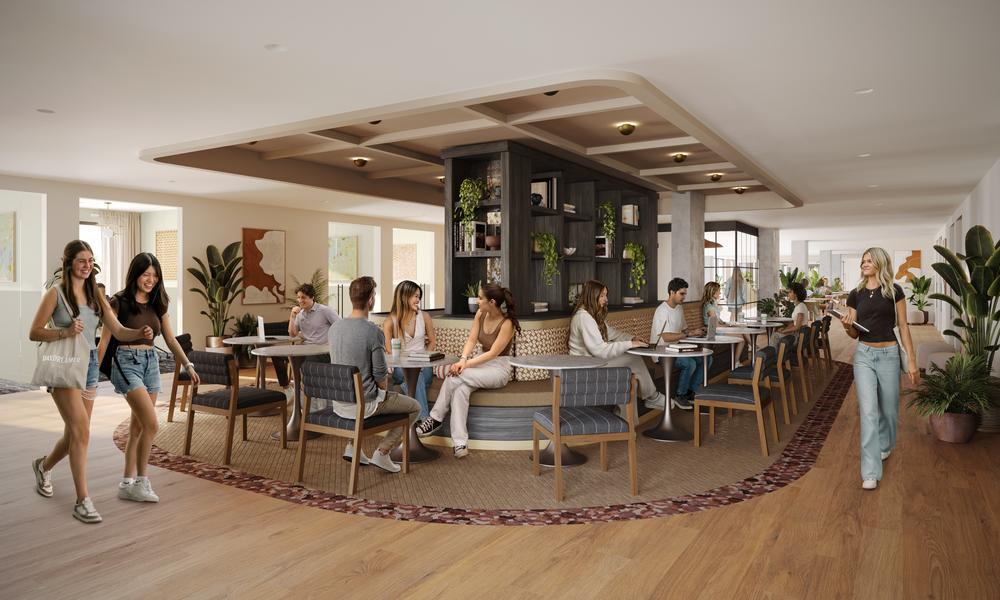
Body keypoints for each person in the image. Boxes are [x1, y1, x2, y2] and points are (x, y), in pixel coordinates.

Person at [29, 240, 152, 523]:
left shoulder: (96, 294)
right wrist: (65, 332)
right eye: (81, 260)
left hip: (90, 366)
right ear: (69, 262)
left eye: (90, 260)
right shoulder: (55, 293)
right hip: (64, 364)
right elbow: (34, 332)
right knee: (82, 430)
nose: (87, 265)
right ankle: (82, 500)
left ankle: (43, 466)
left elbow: (118, 329)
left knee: (75, 434)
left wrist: (139, 333)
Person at [99, 252, 200, 503]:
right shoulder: (118, 302)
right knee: (152, 424)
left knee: (137, 427)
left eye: (155, 275)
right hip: (125, 363)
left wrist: (187, 364)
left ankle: (126, 483)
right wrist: (91, 376)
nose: (151, 280)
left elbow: (170, 339)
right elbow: (105, 340)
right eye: (146, 274)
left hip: (151, 364)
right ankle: (142, 482)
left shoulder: (158, 302)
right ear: (136, 274)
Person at [840, 248, 917, 491]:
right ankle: (870, 472)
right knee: (869, 412)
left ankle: (885, 445)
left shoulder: (895, 291)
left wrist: (912, 361)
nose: (864, 264)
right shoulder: (855, 294)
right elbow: (854, 333)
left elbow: (903, 326)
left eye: (869, 261)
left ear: (880, 264)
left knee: (889, 409)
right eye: (862, 261)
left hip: (889, 355)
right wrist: (847, 326)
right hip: (864, 355)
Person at [327, 276, 420, 472]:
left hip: (339, 403)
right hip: (366, 404)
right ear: (370, 299)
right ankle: (383, 452)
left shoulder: (334, 328)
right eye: (374, 295)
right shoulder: (372, 331)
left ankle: (353, 446)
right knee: (414, 407)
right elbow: (380, 375)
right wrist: (384, 391)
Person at [415, 283, 519, 458]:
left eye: (480, 298)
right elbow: (471, 340)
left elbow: (493, 353)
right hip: (479, 363)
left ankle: (435, 418)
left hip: (498, 368)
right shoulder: (480, 314)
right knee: (460, 390)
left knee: (454, 376)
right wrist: (463, 359)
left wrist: (466, 365)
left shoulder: (507, 323)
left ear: (492, 302)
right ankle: (460, 444)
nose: (477, 301)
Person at [568, 279, 664, 411]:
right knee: (633, 359)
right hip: (585, 366)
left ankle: (626, 418)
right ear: (592, 295)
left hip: (592, 360)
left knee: (626, 377)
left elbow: (611, 333)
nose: (606, 299)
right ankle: (652, 397)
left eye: (606, 295)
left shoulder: (591, 314)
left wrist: (632, 338)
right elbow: (600, 350)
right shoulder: (584, 318)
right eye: (602, 295)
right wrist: (630, 344)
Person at [650, 277, 709, 410]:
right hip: (661, 352)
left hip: (676, 348)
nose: (684, 297)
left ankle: (690, 392)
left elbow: (684, 330)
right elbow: (666, 337)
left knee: (707, 359)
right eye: (681, 293)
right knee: (690, 363)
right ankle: (680, 395)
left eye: (685, 294)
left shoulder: (679, 308)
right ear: (672, 292)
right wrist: (688, 334)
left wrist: (696, 332)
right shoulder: (662, 311)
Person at [271, 283, 341, 392]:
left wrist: (332, 344)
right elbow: (292, 334)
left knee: (305, 362)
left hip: (321, 350)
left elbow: (340, 326)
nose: (300, 300)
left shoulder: (325, 311)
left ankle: (306, 390)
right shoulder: (300, 314)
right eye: (298, 297)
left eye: (303, 297)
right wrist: (292, 316)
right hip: (305, 349)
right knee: (276, 356)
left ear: (312, 297)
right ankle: (287, 388)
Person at [382, 280, 436, 420]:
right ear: (404, 297)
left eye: (419, 296)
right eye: (415, 296)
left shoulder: (424, 317)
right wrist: (407, 363)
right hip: (402, 367)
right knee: (416, 378)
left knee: (416, 378)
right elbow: (389, 351)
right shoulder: (390, 321)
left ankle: (408, 392)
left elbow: (432, 341)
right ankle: (425, 421)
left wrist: (424, 359)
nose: (418, 300)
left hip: (423, 364)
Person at [700, 281, 747, 366]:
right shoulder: (709, 306)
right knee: (741, 338)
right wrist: (728, 326)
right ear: (713, 292)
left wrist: (726, 324)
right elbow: (715, 325)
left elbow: (717, 320)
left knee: (742, 328)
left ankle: (754, 347)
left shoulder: (712, 303)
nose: (720, 293)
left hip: (718, 329)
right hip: (714, 331)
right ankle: (736, 362)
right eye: (718, 291)